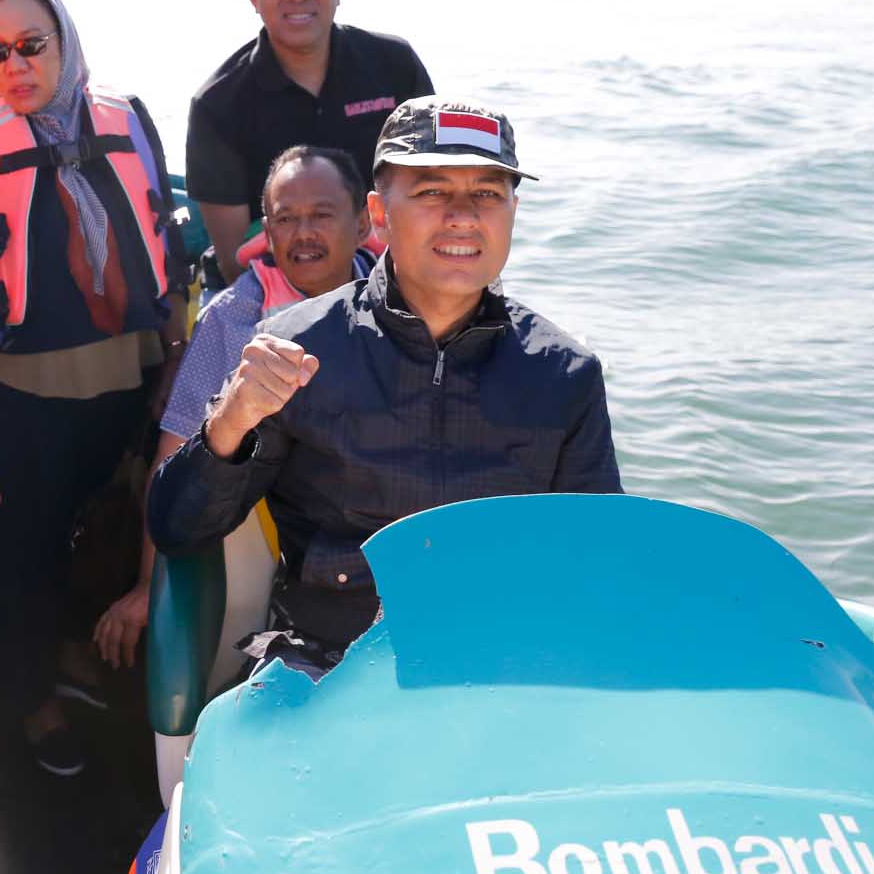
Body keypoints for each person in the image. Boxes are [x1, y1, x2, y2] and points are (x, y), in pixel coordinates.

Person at [149, 98, 622, 673]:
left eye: (488, 194)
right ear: (378, 213)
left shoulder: (563, 373)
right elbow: (177, 528)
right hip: (329, 667)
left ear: (512, 211)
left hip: (503, 670)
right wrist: (230, 422)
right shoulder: (295, 349)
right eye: (431, 192)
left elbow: (597, 562)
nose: (463, 216)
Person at [0, 0, 188, 774]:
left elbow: (167, 245)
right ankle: (24, 704)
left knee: (106, 532)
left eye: (31, 45)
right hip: (21, 388)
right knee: (20, 551)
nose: (14, 64)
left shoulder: (128, 117)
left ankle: (80, 657)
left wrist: (177, 357)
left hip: (129, 374)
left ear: (65, 40)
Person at [93, 145, 375, 669]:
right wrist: (146, 586)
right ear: (267, 233)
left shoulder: (402, 306)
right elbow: (173, 453)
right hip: (257, 521)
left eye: (322, 214)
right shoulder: (232, 319)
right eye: (286, 219)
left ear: (363, 223)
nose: (303, 232)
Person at [186, 0, 435, 288]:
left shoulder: (395, 65)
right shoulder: (218, 103)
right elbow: (234, 259)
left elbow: (431, 191)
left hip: (389, 278)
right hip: (270, 290)